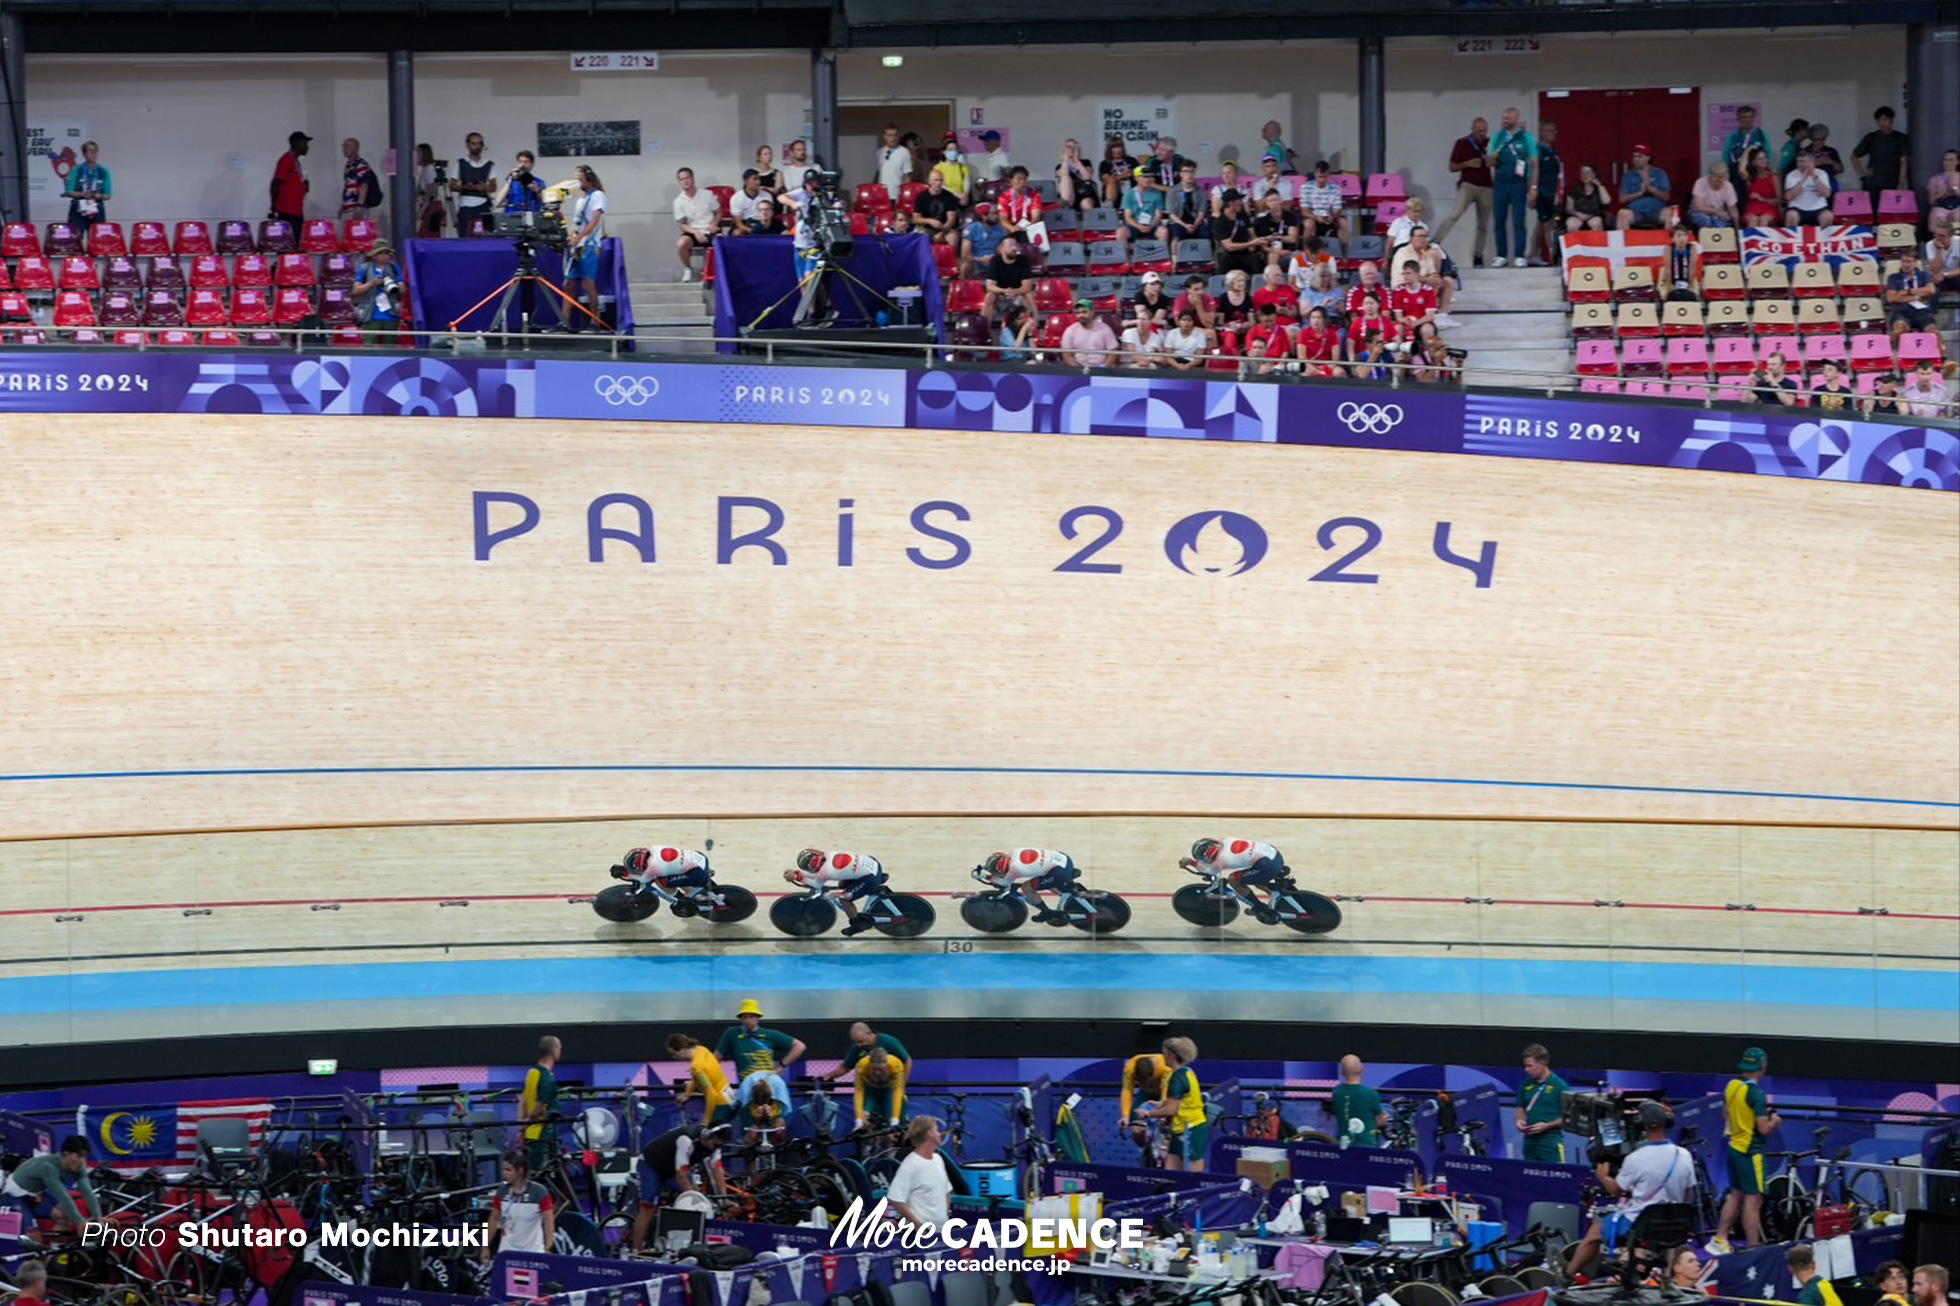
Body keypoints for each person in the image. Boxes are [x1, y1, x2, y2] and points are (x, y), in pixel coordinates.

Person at [1573, 1101, 1697, 1277]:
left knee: (1594, 1233)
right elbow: (1687, 1195)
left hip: (1642, 1225)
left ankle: (1567, 1274)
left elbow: (1615, 1190)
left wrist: (1602, 1176)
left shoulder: (1635, 1158)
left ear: (1642, 1125)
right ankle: (1666, 1281)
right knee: (1666, 1236)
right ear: (1667, 1123)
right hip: (1674, 1224)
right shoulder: (1684, 1155)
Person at [1709, 1046, 1782, 1253]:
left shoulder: (1732, 1086)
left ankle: (1720, 1239)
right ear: (1763, 1066)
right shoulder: (1757, 1094)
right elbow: (1764, 1128)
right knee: (1754, 1201)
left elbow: (1726, 1113)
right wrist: (1774, 1120)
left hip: (1734, 1148)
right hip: (1751, 1152)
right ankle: (1754, 1248)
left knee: (1736, 1196)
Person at [629, 1123, 725, 1251]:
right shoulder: (687, 1140)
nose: (717, 1148)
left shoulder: (715, 1144)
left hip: (672, 1169)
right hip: (651, 1166)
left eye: (721, 1145)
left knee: (698, 1196)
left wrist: (724, 1200)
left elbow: (717, 1170)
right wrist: (693, 1200)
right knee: (648, 1208)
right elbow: (681, 1176)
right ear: (708, 1136)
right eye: (716, 1144)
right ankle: (636, 1250)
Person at [714, 998, 807, 1108]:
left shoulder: (769, 1034)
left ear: (758, 1018)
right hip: (748, 1086)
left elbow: (799, 1046)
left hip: (769, 1083)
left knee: (779, 1112)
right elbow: (716, 1058)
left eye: (751, 1017)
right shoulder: (732, 1034)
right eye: (745, 1017)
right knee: (747, 1116)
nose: (748, 1021)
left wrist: (780, 1067)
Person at [0, 1135, 101, 1233]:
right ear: (65, 1154)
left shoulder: (79, 1167)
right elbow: (63, 1196)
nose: (82, 1162)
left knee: (65, 1218)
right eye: (78, 1156)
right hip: (15, 1193)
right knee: (34, 1235)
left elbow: (88, 1192)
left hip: (35, 1193)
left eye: (85, 1157)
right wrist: (81, 1221)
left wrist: (99, 1218)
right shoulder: (49, 1167)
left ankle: (56, 1248)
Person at [787, 848, 898, 937]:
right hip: (873, 864)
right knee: (842, 884)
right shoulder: (829, 853)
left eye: (808, 867)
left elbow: (817, 884)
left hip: (869, 878)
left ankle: (858, 924)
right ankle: (872, 888)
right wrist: (797, 873)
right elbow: (817, 875)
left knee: (844, 898)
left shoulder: (826, 871)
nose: (809, 870)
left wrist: (798, 877)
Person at [1435, 116, 1494, 268]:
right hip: (1468, 185)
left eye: (1485, 131)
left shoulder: (1490, 143)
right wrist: (1467, 164)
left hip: (1486, 186)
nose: (1483, 134)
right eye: (1480, 131)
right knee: (1455, 214)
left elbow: (1497, 162)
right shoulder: (1462, 143)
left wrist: (1492, 161)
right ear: (1473, 129)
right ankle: (1435, 242)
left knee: (1483, 224)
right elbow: (1452, 167)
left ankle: (1478, 256)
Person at [1140, 1038, 1206, 1172]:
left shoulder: (1177, 1079)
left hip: (1191, 1130)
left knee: (1193, 1173)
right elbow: (1182, 1100)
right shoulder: (1187, 1072)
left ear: (1171, 1056)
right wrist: (1160, 1104)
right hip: (1179, 1130)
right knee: (1171, 1169)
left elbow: (1170, 1111)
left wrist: (1147, 1114)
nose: (1163, 1057)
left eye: (1165, 1053)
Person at [1179, 837, 1293, 913]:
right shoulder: (1226, 839)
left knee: (1234, 880)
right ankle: (1273, 894)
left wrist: (1191, 862)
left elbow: (1210, 871)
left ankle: (1258, 907)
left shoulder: (1221, 860)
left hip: (1267, 865)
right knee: (1253, 876)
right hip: (1274, 855)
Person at [482, 1150, 556, 1261]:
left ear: (520, 1171)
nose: (504, 1173)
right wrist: (485, 1246)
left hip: (533, 1253)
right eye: (503, 1170)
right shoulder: (502, 1192)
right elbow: (493, 1219)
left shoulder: (540, 1192)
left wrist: (549, 1249)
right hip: (507, 1253)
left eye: (508, 1170)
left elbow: (549, 1223)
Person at [1489, 106, 1538, 268]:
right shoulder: (1497, 136)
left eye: (1507, 118)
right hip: (1500, 184)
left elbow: (1535, 164)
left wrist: (1533, 187)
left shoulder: (1526, 138)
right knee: (1499, 221)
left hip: (1518, 183)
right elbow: (1488, 162)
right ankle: (1501, 255)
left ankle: (1519, 255)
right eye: (1503, 118)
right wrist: (1493, 157)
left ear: (1516, 119)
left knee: (1519, 220)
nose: (1504, 121)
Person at [885, 1117, 953, 1229]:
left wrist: (943, 1215)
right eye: (936, 1130)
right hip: (920, 1235)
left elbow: (946, 1191)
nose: (940, 1134)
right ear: (929, 1133)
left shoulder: (938, 1159)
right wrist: (918, 1226)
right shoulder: (910, 1165)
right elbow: (895, 1199)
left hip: (941, 1230)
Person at [564, 166, 607, 329]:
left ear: (588, 178)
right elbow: (577, 223)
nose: (578, 182)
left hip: (590, 245)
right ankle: (565, 321)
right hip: (578, 246)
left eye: (580, 179)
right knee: (569, 284)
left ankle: (595, 321)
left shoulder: (598, 196)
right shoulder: (580, 200)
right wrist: (571, 234)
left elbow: (595, 221)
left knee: (588, 284)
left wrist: (580, 237)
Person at [665, 1033, 736, 1128]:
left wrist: (706, 1121)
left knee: (709, 1138)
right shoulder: (701, 1049)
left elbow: (712, 1095)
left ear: (681, 1051)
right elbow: (698, 1078)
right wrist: (687, 1094)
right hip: (730, 1101)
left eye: (674, 1054)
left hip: (720, 1105)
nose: (674, 1058)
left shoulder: (696, 1067)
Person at [1516, 1043, 1569, 1163]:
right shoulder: (1525, 1084)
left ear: (1542, 1063)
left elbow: (1568, 1117)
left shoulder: (1559, 1086)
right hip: (1529, 1143)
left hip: (1550, 1142)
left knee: (1555, 1178)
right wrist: (1519, 1121)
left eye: (1530, 1066)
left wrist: (1546, 1126)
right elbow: (1520, 1109)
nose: (1526, 1070)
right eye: (1525, 1066)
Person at [1852, 107, 1910, 206]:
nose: (1882, 123)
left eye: (1885, 120)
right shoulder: (1871, 138)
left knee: (1890, 213)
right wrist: (1861, 173)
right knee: (1871, 213)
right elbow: (1854, 156)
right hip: (1872, 182)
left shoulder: (1900, 138)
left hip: (1892, 182)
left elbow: (1904, 161)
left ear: (1891, 121)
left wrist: (1901, 183)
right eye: (1879, 120)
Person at [519, 1035, 562, 1171]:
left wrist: (522, 1130)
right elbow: (536, 1111)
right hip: (543, 1137)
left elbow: (522, 1103)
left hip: (529, 1135)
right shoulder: (547, 1078)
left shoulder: (531, 1072)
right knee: (542, 1176)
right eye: (560, 1049)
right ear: (555, 1051)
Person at [671, 167, 721, 282]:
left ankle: (719, 270)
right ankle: (688, 269)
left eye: (687, 178)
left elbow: (718, 212)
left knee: (721, 241)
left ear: (693, 179)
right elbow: (682, 224)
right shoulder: (678, 201)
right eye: (682, 179)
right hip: (693, 232)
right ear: (679, 182)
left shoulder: (707, 194)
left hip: (710, 229)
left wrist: (714, 224)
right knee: (681, 243)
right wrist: (695, 232)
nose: (685, 181)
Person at [1329, 1055, 1387, 1148]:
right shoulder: (1371, 1094)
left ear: (1342, 1072)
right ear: (1362, 1069)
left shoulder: (1337, 1092)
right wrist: (1384, 1118)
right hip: (1367, 1144)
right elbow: (1380, 1122)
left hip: (1342, 1144)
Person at [351, 240, 406, 334]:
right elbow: (355, 291)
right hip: (369, 315)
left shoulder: (394, 268)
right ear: (375, 255)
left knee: (391, 346)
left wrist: (393, 285)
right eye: (382, 253)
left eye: (387, 253)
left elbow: (403, 290)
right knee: (370, 346)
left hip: (391, 315)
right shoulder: (364, 269)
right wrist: (372, 284)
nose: (385, 256)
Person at [1529, 122, 1563, 264]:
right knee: (1546, 223)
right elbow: (1532, 172)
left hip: (1551, 192)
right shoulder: (1538, 151)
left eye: (1554, 130)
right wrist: (1533, 191)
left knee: (1541, 222)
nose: (1553, 133)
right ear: (1542, 133)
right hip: (1542, 192)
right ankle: (1551, 253)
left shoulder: (1553, 152)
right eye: (1549, 131)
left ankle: (1532, 254)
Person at [981, 235, 1037, 322]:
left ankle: (1033, 328)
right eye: (1011, 245)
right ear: (1002, 248)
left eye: (1016, 245)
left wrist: (1015, 292)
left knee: (1029, 295)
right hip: (1000, 295)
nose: (1014, 248)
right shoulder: (995, 261)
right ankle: (984, 330)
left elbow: (1027, 287)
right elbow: (990, 286)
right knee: (989, 296)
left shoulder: (1023, 260)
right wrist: (1004, 291)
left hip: (1018, 294)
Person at [1617, 144, 1671, 231]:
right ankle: (1627, 243)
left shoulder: (1660, 173)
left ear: (1648, 158)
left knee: (1670, 213)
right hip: (1636, 212)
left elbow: (1666, 196)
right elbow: (1622, 199)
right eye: (1634, 157)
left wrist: (1651, 190)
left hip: (1656, 211)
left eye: (1639, 156)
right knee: (1622, 214)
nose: (1635, 159)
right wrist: (1640, 192)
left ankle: (1666, 243)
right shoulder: (1628, 176)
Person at [1211, 190, 1264, 278]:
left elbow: (1252, 234)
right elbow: (1229, 246)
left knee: (1256, 258)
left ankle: (1257, 284)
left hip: (1246, 253)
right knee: (1225, 259)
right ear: (1231, 203)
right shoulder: (1219, 222)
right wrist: (1251, 243)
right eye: (1239, 201)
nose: (1241, 203)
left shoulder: (1243, 216)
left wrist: (1254, 243)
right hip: (1230, 254)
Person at [63, 140, 112, 233]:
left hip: (96, 208)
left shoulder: (104, 171)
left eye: (95, 151)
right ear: (84, 153)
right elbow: (69, 191)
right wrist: (83, 194)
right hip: (78, 207)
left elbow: (108, 195)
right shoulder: (76, 169)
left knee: (97, 237)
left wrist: (100, 196)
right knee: (75, 237)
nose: (93, 153)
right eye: (90, 151)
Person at [1886, 250, 1937, 340]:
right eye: (1903, 261)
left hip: (1922, 312)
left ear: (1915, 263)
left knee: (1933, 332)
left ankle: (1943, 354)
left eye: (1909, 261)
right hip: (1901, 312)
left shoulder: (1923, 275)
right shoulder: (1893, 277)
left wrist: (1904, 292)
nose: (1905, 265)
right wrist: (1915, 296)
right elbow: (1891, 298)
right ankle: (1901, 353)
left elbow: (1931, 290)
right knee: (1898, 330)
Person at [452, 132, 496, 234]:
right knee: (464, 234)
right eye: (473, 143)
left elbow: (493, 187)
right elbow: (452, 185)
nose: (477, 146)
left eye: (479, 143)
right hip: (466, 204)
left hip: (483, 203)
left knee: (488, 234)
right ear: (468, 145)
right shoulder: (460, 163)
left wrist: (484, 187)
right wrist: (467, 187)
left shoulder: (489, 164)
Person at [853, 1047, 906, 1129]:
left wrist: (895, 1121)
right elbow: (858, 1093)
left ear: (886, 1064)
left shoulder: (896, 1065)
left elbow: (898, 1092)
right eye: (874, 1069)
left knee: (891, 1123)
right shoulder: (861, 1066)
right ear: (869, 1063)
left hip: (888, 1093)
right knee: (865, 1119)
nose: (877, 1073)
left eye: (881, 1069)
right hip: (870, 1093)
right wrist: (859, 1121)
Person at [1722, 106, 1771, 195]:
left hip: (1756, 172)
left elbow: (1768, 154)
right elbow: (1726, 156)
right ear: (1738, 119)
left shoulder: (1761, 135)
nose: (1748, 120)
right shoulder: (1733, 136)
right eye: (1744, 117)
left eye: (1751, 117)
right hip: (1736, 174)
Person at [1059, 299, 1118, 368]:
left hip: (1101, 369)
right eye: (1078, 313)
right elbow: (1066, 355)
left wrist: (1103, 367)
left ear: (1092, 312)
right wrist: (1076, 369)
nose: (1081, 315)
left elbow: (1113, 353)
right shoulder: (1070, 330)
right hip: (1078, 368)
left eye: (1084, 312)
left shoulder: (1105, 329)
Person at [1784, 150, 1836, 226]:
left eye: (1802, 161)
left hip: (1818, 207)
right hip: (1797, 208)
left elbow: (1826, 194)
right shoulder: (1791, 175)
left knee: (1828, 216)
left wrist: (1814, 177)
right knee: (1791, 216)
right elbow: (1788, 197)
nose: (1799, 164)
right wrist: (1802, 179)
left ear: (1811, 163)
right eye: (1798, 161)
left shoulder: (1821, 174)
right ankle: (1792, 238)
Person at [270, 130, 311, 227]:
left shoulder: (295, 162)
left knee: (297, 239)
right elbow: (276, 182)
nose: (307, 147)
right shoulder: (286, 160)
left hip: (296, 210)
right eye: (305, 143)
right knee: (291, 240)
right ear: (297, 143)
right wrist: (274, 205)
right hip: (287, 211)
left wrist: (304, 187)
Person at [1164, 160, 1208, 245]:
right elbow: (1171, 214)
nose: (1189, 175)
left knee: (1206, 235)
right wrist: (1185, 226)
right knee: (1176, 236)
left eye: (1191, 171)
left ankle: (1206, 258)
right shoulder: (1172, 191)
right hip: (1178, 222)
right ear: (1180, 174)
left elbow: (1201, 213)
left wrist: (1194, 226)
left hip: (1196, 222)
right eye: (1186, 172)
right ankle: (1175, 257)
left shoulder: (1200, 191)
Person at [1121, 165, 1168, 244]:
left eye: (1149, 177)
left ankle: (1161, 255)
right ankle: (1123, 255)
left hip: (1152, 225)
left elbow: (1158, 215)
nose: (1148, 179)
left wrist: (1150, 226)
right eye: (1144, 177)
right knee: (1121, 232)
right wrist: (1139, 226)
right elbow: (1128, 217)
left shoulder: (1157, 194)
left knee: (1164, 231)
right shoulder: (1129, 194)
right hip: (1135, 225)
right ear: (1137, 178)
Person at [498, 149, 545, 226]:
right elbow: (499, 201)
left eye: (526, 162)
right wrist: (510, 181)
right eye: (520, 162)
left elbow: (546, 202)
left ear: (532, 164)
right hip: (511, 218)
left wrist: (537, 190)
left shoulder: (538, 182)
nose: (523, 165)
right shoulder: (511, 181)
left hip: (532, 219)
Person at [1243, 302, 1294, 374]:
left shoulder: (1281, 331)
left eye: (1271, 321)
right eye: (1266, 321)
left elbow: (1285, 352)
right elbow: (1250, 353)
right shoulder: (1253, 331)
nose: (1269, 324)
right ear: (1260, 317)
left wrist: (1279, 366)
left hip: (1276, 366)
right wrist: (1261, 367)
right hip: (1258, 365)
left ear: (1276, 317)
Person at [912, 169, 961, 244]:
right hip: (928, 229)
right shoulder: (921, 197)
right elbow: (916, 219)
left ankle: (951, 255)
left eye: (941, 180)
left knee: (953, 237)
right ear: (929, 181)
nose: (938, 183)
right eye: (936, 180)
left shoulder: (949, 196)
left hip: (945, 229)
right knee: (921, 235)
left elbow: (951, 220)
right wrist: (930, 221)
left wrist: (942, 233)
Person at [996, 166, 1042, 245]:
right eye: (1019, 179)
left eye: (1024, 179)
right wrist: (1012, 228)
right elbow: (1003, 219)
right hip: (1011, 229)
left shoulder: (1034, 195)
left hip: (1029, 227)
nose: (1022, 182)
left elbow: (1036, 216)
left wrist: (1028, 226)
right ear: (1011, 180)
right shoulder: (1004, 197)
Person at [1390, 258, 1438, 332]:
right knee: (1397, 329)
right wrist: (1405, 320)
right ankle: (1399, 343)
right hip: (1406, 323)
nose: (1405, 276)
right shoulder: (1399, 291)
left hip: (1422, 322)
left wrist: (1416, 323)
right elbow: (1398, 317)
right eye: (1404, 273)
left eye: (1409, 273)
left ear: (1417, 274)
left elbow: (1430, 316)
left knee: (1427, 329)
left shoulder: (1428, 290)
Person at [959, 203, 1005, 280]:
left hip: (995, 263)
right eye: (993, 214)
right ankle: (966, 288)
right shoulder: (971, 229)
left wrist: (995, 258)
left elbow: (1003, 250)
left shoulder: (1001, 230)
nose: (996, 216)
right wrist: (980, 259)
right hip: (977, 263)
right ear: (984, 216)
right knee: (965, 266)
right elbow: (964, 255)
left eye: (996, 214)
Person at [1253, 192, 1299, 268]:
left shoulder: (1290, 216)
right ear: (1266, 204)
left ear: (1280, 200)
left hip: (1289, 249)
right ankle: (1272, 277)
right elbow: (1263, 246)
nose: (1273, 203)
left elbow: (1292, 238)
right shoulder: (1262, 221)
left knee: (1301, 255)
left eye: (1275, 200)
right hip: (1272, 251)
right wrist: (1279, 251)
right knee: (1273, 255)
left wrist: (1278, 237)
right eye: (1270, 201)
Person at [338, 138, 379, 222]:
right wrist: (343, 207)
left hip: (356, 207)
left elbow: (364, 186)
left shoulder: (360, 165)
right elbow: (348, 187)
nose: (344, 149)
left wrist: (359, 206)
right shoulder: (349, 166)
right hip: (348, 207)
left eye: (347, 146)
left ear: (356, 148)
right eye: (343, 146)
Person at [1691, 159, 1740, 228]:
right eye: (1717, 176)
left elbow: (1733, 210)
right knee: (1708, 222)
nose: (1719, 179)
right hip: (1700, 213)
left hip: (1718, 215)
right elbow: (1698, 206)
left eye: (1722, 177)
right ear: (1711, 174)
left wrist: (1737, 228)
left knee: (1722, 225)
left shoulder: (1728, 186)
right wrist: (1717, 212)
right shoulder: (1701, 182)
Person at [1294, 305, 1342, 376]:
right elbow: (1301, 357)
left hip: (1328, 366)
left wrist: (1325, 368)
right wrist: (1314, 369)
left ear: (1324, 320)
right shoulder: (1304, 333)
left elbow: (1335, 358)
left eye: (1319, 318)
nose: (1315, 321)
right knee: (1306, 375)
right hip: (1310, 366)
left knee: (1339, 372)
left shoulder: (1333, 334)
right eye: (1313, 318)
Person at [1565, 162, 1611, 232]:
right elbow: (1569, 209)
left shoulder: (1599, 189)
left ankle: (1596, 242)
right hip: (1578, 215)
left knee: (1595, 223)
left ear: (1594, 174)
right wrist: (1578, 214)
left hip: (1595, 215)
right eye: (1582, 173)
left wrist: (1600, 186)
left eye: (1587, 172)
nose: (1584, 175)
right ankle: (1575, 243)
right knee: (1572, 224)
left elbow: (1607, 202)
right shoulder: (1574, 190)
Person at [1056, 137, 1098, 212]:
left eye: (1074, 147)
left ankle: (1091, 222)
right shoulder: (1060, 166)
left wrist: (1077, 160)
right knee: (1066, 177)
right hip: (1069, 195)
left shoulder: (1086, 163)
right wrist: (1065, 160)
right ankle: (1067, 206)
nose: (1072, 149)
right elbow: (1063, 174)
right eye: (1068, 147)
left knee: (1086, 204)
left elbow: (1087, 177)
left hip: (1084, 193)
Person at [1215, 268, 1257, 344]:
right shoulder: (1223, 298)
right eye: (1239, 281)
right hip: (1228, 329)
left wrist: (1248, 324)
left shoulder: (1248, 298)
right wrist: (1229, 325)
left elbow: (1252, 320)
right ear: (1231, 283)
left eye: (1243, 281)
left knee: (1252, 334)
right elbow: (1220, 322)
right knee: (1230, 337)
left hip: (1244, 329)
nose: (1242, 283)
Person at [1298, 262, 1346, 326]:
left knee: (1341, 333)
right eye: (1323, 276)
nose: (1326, 279)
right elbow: (1304, 314)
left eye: (1328, 276)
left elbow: (1344, 313)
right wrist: (1322, 306)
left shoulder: (1337, 291)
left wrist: (1339, 309)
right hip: (1313, 325)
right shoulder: (1307, 292)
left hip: (1334, 323)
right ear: (1317, 277)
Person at [1742, 150, 1783, 224]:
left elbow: (1780, 200)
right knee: (1752, 221)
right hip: (1753, 207)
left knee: (1763, 220)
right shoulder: (1751, 178)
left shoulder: (1773, 177)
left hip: (1769, 206)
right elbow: (1741, 170)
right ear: (1754, 162)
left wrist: (1762, 199)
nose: (1763, 160)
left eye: (1764, 158)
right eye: (1760, 159)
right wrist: (1747, 151)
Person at [1173, 273, 1219, 338]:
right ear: (1188, 290)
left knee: (1211, 332)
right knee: (1209, 333)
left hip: (1203, 328)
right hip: (1185, 329)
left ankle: (1213, 348)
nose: (1200, 292)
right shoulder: (1180, 300)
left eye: (1202, 288)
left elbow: (1210, 325)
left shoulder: (1208, 298)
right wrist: (1196, 330)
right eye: (1196, 289)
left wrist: (1199, 306)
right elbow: (1178, 322)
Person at [414, 144, 446, 237]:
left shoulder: (429, 170)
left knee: (428, 234)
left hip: (431, 207)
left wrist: (421, 212)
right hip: (426, 206)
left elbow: (430, 194)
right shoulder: (424, 170)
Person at [1928, 149, 1960, 235]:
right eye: (1945, 160)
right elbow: (1931, 201)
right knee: (1938, 216)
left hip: (1957, 205)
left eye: (1951, 160)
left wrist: (1955, 190)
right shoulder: (1935, 179)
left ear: (1957, 162)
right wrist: (1942, 194)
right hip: (1941, 205)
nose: (1948, 162)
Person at [877, 124, 912, 203]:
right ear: (884, 136)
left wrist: (905, 195)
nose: (892, 138)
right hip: (882, 195)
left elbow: (907, 176)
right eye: (890, 135)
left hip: (897, 195)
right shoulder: (879, 153)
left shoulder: (904, 152)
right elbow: (877, 174)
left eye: (895, 135)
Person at [1664, 224, 1700, 301]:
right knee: (1668, 296)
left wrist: (1691, 287)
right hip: (1672, 279)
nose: (1682, 238)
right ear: (1673, 238)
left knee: (1693, 296)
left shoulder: (1692, 248)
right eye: (1679, 235)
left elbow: (1692, 269)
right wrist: (1669, 287)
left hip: (1688, 279)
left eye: (1684, 235)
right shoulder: (1668, 249)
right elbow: (1668, 270)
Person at [1099, 137, 1137, 207]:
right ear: (1109, 150)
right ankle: (1109, 206)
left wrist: (1132, 173)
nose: (1118, 150)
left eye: (1120, 147)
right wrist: (1122, 176)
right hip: (1115, 193)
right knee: (1111, 179)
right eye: (1115, 148)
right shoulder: (1105, 164)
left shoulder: (1132, 161)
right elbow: (1105, 179)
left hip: (1131, 191)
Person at [1926, 227, 1960, 294]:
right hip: (1939, 277)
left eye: (1942, 236)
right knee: (1930, 286)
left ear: (1951, 236)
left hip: (1956, 275)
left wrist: (1944, 274)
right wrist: (1939, 251)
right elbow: (1934, 270)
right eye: (1936, 235)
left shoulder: (1958, 242)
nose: (1938, 238)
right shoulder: (1930, 245)